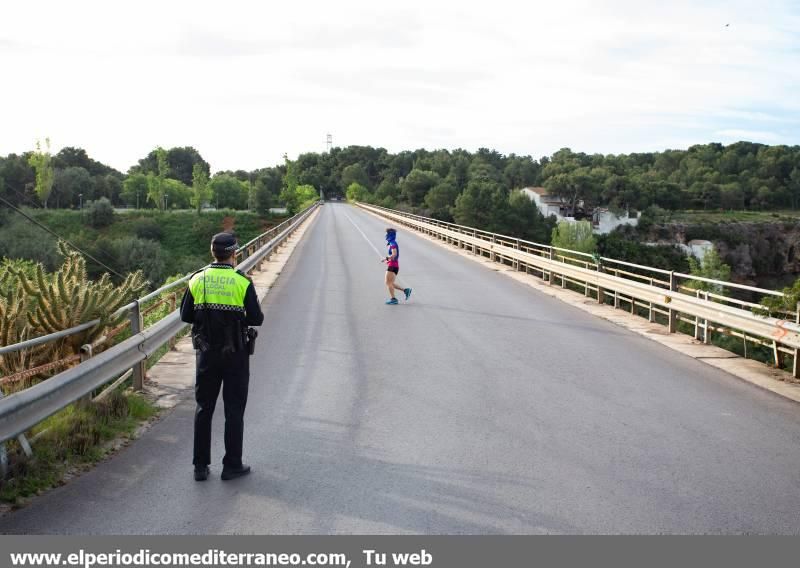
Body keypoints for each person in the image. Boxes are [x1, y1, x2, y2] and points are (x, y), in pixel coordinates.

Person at [179, 232, 264, 481]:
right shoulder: (242, 282)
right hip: (236, 354)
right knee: (234, 409)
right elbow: (256, 318)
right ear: (234, 254)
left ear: (212, 252)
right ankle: (232, 465)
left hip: (206, 354)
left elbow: (186, 315)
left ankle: (200, 466)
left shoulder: (197, 279)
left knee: (204, 407)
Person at [382, 227, 411, 305]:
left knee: (388, 283)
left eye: (387, 234)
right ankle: (406, 290)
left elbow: (394, 254)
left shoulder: (392, 243)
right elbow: (394, 255)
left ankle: (393, 299)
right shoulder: (393, 242)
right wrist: (387, 260)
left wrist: (387, 258)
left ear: (390, 235)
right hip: (394, 265)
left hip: (392, 265)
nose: (386, 235)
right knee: (390, 282)